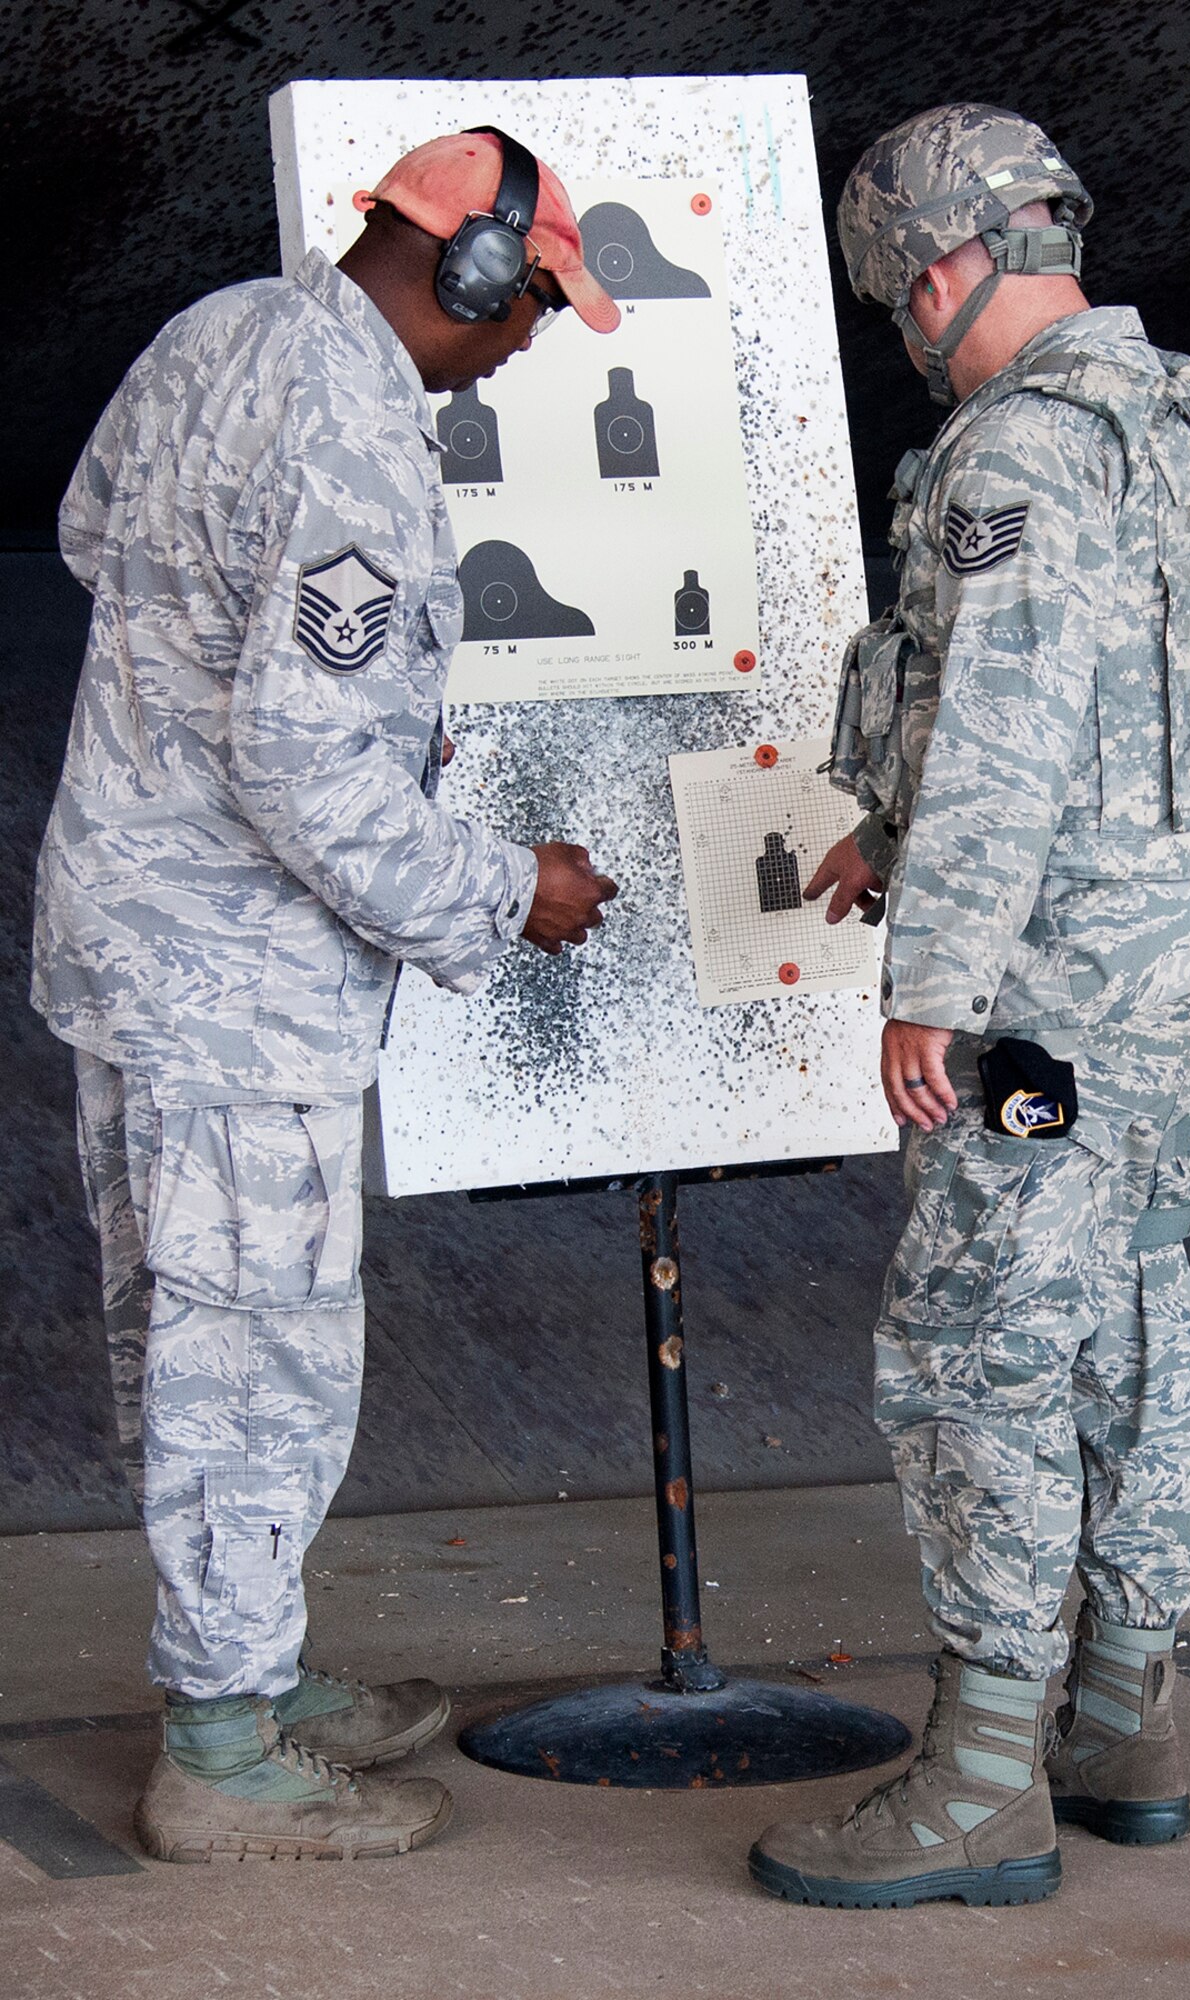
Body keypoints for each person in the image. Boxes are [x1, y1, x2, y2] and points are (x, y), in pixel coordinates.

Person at [33, 128, 621, 1863]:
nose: (522, 343)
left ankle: (255, 1673)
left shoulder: (218, 331)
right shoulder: (351, 429)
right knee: (252, 1354)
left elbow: (89, 538)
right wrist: (510, 891)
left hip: (138, 942)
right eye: (527, 308)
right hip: (237, 984)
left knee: (198, 1334)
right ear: (470, 272)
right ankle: (220, 1755)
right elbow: (306, 758)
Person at [750, 103, 1190, 1910]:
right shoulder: (1175, 407)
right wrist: (881, 831)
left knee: (981, 1331)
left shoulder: (1009, 457)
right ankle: (1116, 1715)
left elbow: (1002, 731)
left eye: (892, 293)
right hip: (1177, 980)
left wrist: (933, 987)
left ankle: (982, 1777)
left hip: (1046, 1034)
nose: (901, 327)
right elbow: (1115, 695)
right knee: (1133, 1297)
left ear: (935, 265)